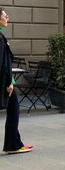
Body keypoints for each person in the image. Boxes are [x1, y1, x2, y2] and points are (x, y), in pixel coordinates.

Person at [1, 8, 32, 154]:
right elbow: (4, 63)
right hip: (4, 82)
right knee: (13, 110)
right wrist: (9, 82)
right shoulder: (0, 38)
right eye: (5, 16)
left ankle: (14, 143)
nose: (7, 18)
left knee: (13, 109)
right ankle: (13, 145)